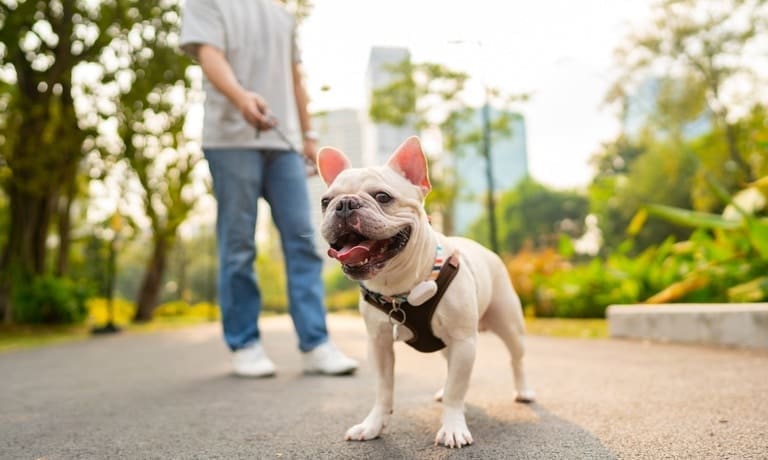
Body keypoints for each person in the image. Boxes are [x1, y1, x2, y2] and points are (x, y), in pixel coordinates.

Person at [179, 0, 358, 377]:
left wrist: (309, 135)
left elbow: (295, 76)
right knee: (239, 244)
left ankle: (316, 343)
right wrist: (242, 98)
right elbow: (209, 55)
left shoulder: (281, 12)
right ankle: (244, 344)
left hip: (285, 142)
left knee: (304, 239)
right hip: (230, 141)